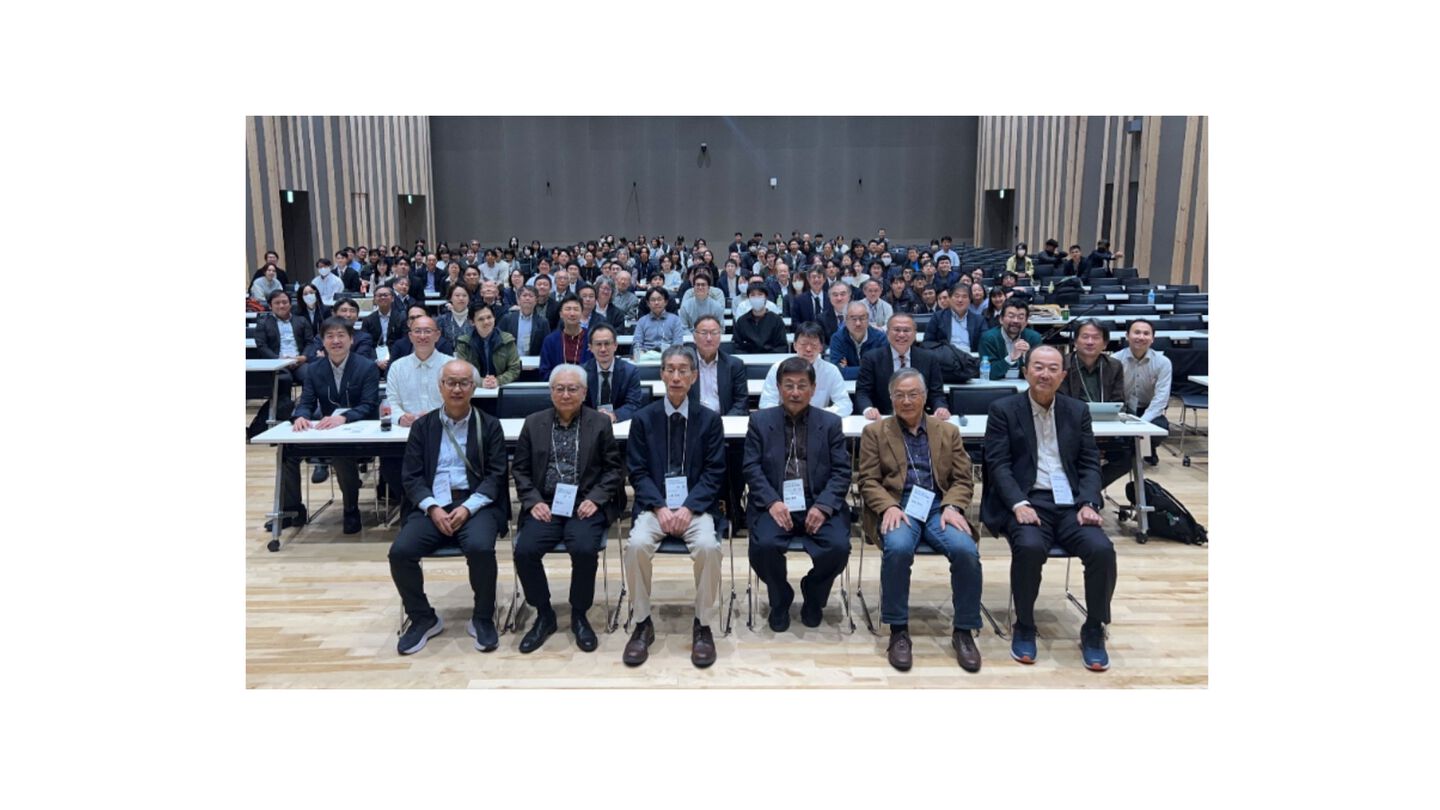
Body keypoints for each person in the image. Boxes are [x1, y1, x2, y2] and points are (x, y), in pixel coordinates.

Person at [981, 346, 1116, 671]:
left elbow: (1089, 462)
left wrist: (1089, 502)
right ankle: (1025, 624)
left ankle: (1094, 627)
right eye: (1038, 367)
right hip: (1027, 500)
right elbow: (997, 464)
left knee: (1102, 550)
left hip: (1070, 503)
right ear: (1026, 371)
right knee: (1029, 547)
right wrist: (1018, 503)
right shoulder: (1003, 410)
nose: (1045, 374)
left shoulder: (1077, 410)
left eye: (1053, 369)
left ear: (1063, 375)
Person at [857, 368, 983, 672]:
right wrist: (887, 506)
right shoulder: (875, 432)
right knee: (898, 548)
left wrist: (953, 506)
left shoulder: (947, 431)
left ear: (925, 397)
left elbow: (963, 479)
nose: (906, 401)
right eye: (899, 395)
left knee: (966, 550)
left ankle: (964, 630)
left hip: (940, 506)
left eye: (913, 394)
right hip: (899, 505)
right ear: (891, 398)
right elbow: (868, 480)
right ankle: (898, 630)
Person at [388, 361, 511, 655]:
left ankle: (483, 616)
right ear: (440, 386)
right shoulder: (423, 427)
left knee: (481, 548)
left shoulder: (489, 425)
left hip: (476, 503)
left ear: (474, 387)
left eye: (464, 383)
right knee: (400, 553)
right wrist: (432, 508)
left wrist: (468, 508)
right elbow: (411, 476)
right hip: (433, 505)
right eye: (451, 383)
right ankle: (422, 617)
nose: (457, 389)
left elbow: (496, 476)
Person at [621, 345, 726, 669]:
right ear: (662, 374)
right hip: (656, 508)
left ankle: (703, 624)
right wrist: (660, 508)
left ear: (694, 376)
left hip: (695, 509)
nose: (677, 376)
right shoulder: (643, 419)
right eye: (671, 370)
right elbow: (637, 471)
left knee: (708, 547)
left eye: (684, 370)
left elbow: (714, 472)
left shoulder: (709, 420)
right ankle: (642, 623)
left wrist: (688, 508)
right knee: (635, 546)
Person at [511, 364, 626, 653]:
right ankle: (544, 613)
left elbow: (614, 470)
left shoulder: (599, 423)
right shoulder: (533, 423)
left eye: (572, 389)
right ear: (551, 392)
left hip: (584, 503)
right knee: (524, 551)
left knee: (584, 549)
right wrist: (533, 501)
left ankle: (579, 613)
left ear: (584, 392)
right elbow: (520, 470)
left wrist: (596, 499)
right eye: (559, 389)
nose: (565, 394)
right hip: (546, 504)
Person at [742, 357, 852, 632]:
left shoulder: (830, 423)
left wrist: (824, 506)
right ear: (778, 388)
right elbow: (751, 467)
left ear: (813, 389)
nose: (795, 392)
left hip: (818, 501)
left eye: (802, 385)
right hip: (775, 502)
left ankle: (813, 593)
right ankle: (780, 598)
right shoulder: (760, 421)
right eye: (788, 385)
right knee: (763, 546)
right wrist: (772, 501)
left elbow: (842, 471)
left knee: (838, 547)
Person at [282, 317, 380, 535]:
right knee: (286, 452)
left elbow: (369, 404)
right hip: (327, 432)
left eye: (341, 335)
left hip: (360, 433)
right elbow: (306, 402)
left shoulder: (366, 367)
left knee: (340, 452)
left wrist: (344, 417)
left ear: (351, 339)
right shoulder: (314, 369)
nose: (336, 341)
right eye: (330, 336)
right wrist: (301, 417)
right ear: (323, 341)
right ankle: (292, 510)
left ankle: (351, 509)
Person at [378, 314, 453, 511]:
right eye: (417, 331)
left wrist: (437, 418)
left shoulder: (451, 365)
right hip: (406, 432)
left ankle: (436, 503)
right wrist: (401, 417)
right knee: (389, 463)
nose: (422, 336)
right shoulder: (397, 367)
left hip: (444, 430)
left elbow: (458, 401)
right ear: (410, 336)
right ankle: (412, 504)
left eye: (428, 331)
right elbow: (391, 401)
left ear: (437, 335)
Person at [1060, 318, 1132, 489]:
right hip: (1070, 428)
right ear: (1075, 341)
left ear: (1105, 343)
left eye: (1096, 337)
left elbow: (1118, 401)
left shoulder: (1114, 366)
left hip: (1105, 426)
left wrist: (1105, 433)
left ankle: (1089, 489)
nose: (1090, 342)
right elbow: (1061, 402)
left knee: (1127, 456)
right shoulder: (1063, 364)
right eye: (1085, 337)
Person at [856, 314, 950, 421]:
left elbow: (936, 393)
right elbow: (863, 392)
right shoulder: (871, 358)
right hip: (883, 418)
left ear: (915, 334)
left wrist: (940, 408)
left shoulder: (929, 358)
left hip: (918, 419)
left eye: (906, 330)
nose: (901, 334)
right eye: (896, 330)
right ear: (887, 333)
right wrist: (868, 409)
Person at [249, 288, 312, 438]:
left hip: (299, 362)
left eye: (284, 302)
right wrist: (278, 360)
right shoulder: (263, 323)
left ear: (290, 304)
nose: (281, 306)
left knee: (311, 376)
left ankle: (305, 413)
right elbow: (262, 346)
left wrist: (304, 357)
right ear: (270, 306)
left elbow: (311, 342)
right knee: (283, 380)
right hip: (277, 363)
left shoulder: (301, 321)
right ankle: (282, 418)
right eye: (277, 303)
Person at [759, 322, 851, 416]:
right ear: (795, 345)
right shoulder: (778, 368)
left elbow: (845, 404)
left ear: (821, 348)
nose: (808, 349)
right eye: (803, 344)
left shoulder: (831, 371)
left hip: (818, 421)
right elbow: (766, 403)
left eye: (814, 345)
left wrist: (818, 415)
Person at [1117, 318, 1172, 466]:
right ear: (1127, 336)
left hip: (1149, 409)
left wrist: (1141, 423)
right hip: (1123, 409)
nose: (1141, 337)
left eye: (1146, 333)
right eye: (1137, 332)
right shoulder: (1115, 360)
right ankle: (1134, 452)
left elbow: (1161, 399)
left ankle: (1145, 449)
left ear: (1152, 338)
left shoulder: (1163, 362)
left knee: (1160, 427)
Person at [582, 323, 646, 422]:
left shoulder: (630, 372)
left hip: (619, 423)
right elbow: (578, 404)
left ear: (615, 346)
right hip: (590, 423)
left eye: (607, 343)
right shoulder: (581, 373)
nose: (603, 349)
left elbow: (633, 404)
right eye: (598, 344)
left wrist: (613, 416)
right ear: (590, 347)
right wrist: (594, 417)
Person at [455, 305, 521, 389]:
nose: (486, 322)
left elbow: (515, 369)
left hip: (500, 388)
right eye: (481, 319)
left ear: (494, 318)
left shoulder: (507, 340)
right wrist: (481, 382)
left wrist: (498, 381)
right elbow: (461, 372)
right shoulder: (464, 343)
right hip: (473, 390)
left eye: (489, 317)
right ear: (472, 322)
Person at [979, 298, 1044, 380]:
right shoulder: (989, 338)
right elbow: (989, 373)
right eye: (1011, 316)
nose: (1015, 321)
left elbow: (1038, 373)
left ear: (1026, 322)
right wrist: (1011, 357)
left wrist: (1027, 357)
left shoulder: (1034, 338)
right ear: (1001, 319)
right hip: (995, 385)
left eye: (1020, 317)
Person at [827, 302, 887, 380]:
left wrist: (848, 369)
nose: (858, 323)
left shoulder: (880, 338)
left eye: (862, 318)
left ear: (868, 319)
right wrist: (870, 368)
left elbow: (883, 369)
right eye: (853, 319)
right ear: (845, 320)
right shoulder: (837, 338)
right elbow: (837, 371)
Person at [924, 280, 986, 355]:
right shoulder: (938, 317)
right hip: (946, 357)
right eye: (956, 296)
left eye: (964, 296)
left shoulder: (979, 320)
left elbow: (985, 344)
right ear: (950, 299)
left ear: (970, 300)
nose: (960, 300)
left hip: (970, 358)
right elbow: (927, 342)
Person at [304, 297, 376, 361]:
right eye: (344, 310)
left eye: (352, 311)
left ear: (357, 317)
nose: (348, 315)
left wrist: (325, 358)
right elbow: (311, 357)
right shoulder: (322, 336)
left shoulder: (364, 337)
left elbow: (361, 360)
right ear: (334, 314)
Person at [538, 296, 592, 379]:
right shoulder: (550, 340)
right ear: (561, 314)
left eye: (576, 309)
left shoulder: (591, 338)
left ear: (581, 313)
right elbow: (544, 371)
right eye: (568, 309)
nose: (572, 313)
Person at [732, 285, 788, 353]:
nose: (756, 298)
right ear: (748, 298)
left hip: (771, 357)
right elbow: (736, 346)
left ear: (766, 297)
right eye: (753, 295)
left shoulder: (776, 320)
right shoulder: (741, 321)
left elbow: (782, 346)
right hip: (747, 358)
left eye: (760, 294)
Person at [499, 286, 551, 356]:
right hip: (511, 360)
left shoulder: (543, 322)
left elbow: (546, 345)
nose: (527, 298)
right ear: (518, 300)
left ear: (536, 301)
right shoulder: (507, 319)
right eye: (524, 295)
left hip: (533, 360)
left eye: (531, 296)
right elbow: (499, 340)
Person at [632, 288, 687, 354]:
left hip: (669, 355)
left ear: (666, 302)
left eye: (659, 299)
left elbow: (678, 343)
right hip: (646, 355)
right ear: (648, 303)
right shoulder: (642, 321)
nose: (656, 303)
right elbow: (637, 342)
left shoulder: (675, 320)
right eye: (653, 300)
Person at [360, 285, 405, 359]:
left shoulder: (402, 318)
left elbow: (404, 341)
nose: (383, 297)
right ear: (374, 299)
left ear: (392, 298)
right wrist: (376, 360)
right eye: (379, 295)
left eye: (385, 295)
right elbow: (365, 343)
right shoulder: (368, 320)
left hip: (396, 355)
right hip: (375, 356)